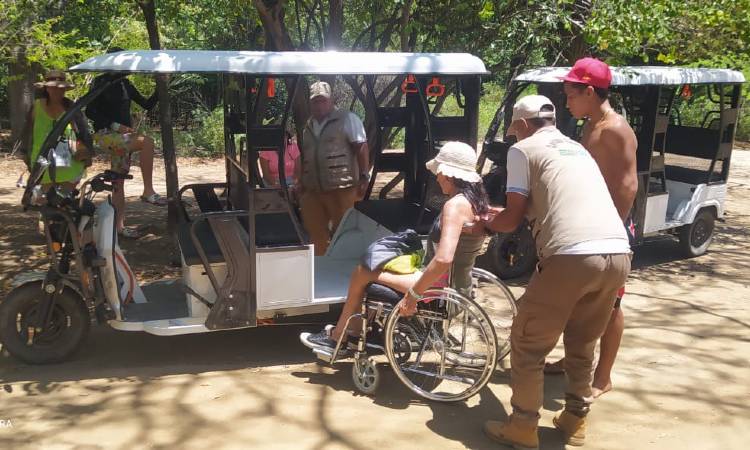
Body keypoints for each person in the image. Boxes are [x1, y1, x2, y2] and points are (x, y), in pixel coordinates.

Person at [481, 95, 631, 448]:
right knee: (581, 342)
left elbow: (513, 215)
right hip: (617, 251)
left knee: (528, 341)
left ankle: (522, 426)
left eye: (514, 130)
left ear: (520, 125)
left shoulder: (523, 150)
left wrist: (483, 223)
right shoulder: (577, 149)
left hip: (571, 255)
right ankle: (575, 419)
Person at [299, 141, 488, 350]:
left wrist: (415, 294)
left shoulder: (454, 206)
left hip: (440, 290)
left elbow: (443, 258)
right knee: (380, 266)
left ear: (450, 174)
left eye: (440, 172)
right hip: (460, 285)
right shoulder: (475, 202)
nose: (437, 177)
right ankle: (351, 331)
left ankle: (339, 336)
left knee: (362, 272)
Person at [543, 57, 638, 399]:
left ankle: (603, 376)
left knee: (609, 304)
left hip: (611, 229)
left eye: (571, 93)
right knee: (579, 299)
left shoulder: (615, 128)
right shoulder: (590, 124)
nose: (566, 101)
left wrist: (613, 228)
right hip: (591, 224)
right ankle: (572, 359)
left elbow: (628, 185)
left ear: (589, 91)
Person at [85, 47, 166, 238]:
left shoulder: (126, 84)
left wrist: (161, 85)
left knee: (118, 182)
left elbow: (147, 104)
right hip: (106, 134)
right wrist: (115, 126)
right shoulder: (101, 82)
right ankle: (148, 191)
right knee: (147, 142)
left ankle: (119, 228)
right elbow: (90, 111)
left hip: (122, 140)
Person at [297, 81, 369, 256]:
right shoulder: (308, 126)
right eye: (315, 101)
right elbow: (304, 155)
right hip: (313, 189)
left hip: (342, 189)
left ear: (331, 100)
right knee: (315, 232)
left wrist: (364, 175)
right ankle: (321, 267)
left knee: (343, 231)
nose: (319, 105)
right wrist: (299, 181)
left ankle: (343, 269)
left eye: (323, 100)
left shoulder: (347, 119)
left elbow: (361, 147)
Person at [20, 70, 94, 189]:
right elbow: (27, 131)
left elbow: (83, 132)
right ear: (46, 89)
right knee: (43, 201)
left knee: (62, 200)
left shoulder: (71, 107)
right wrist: (24, 153)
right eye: (53, 87)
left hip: (69, 162)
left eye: (61, 88)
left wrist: (88, 153)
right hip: (42, 160)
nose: (57, 91)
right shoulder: (36, 107)